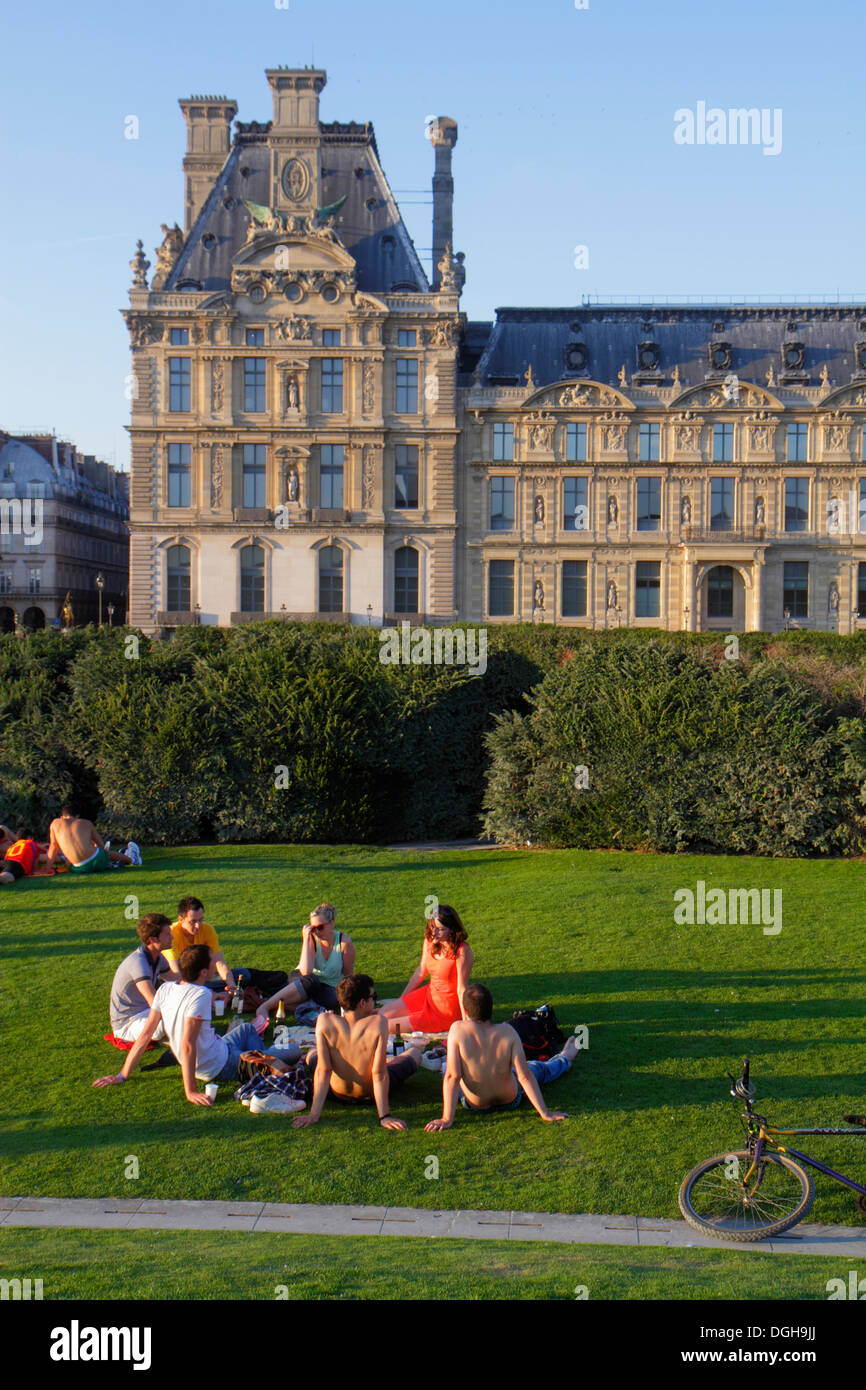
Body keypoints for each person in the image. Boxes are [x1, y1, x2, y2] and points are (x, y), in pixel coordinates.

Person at [93, 945, 302, 1105]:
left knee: (246, 1029)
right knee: (293, 1050)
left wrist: (123, 1074)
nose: (215, 964)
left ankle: (262, 1059)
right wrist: (190, 1091)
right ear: (203, 972)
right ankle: (264, 1062)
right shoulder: (200, 995)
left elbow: (146, 1034)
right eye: (212, 962)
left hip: (221, 1047)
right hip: (219, 1065)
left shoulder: (166, 989)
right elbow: (187, 1045)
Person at [424, 983, 578, 1130]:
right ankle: (564, 1058)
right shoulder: (508, 1032)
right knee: (536, 1068)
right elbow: (525, 1077)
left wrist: (446, 1119)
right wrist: (545, 1113)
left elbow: (453, 1076)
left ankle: (563, 1058)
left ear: (465, 1011)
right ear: (491, 1008)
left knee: (447, 1072)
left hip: (475, 1103)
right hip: (511, 1100)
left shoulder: (457, 1030)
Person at [292, 973, 419, 1131]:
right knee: (414, 1053)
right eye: (373, 996)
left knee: (312, 1054)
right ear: (362, 1003)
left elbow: (323, 1070)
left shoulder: (324, 1021)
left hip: (337, 1092)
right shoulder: (378, 1023)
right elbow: (379, 1074)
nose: (375, 1000)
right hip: (370, 1093)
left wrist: (314, 1115)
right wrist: (384, 1116)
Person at [378, 905, 473, 1035]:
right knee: (383, 1014)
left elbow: (461, 988)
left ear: (452, 930)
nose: (434, 933)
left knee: (386, 1027)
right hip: (428, 994)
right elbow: (420, 972)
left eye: (440, 929)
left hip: (445, 1010)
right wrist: (402, 998)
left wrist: (465, 1022)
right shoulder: (430, 941)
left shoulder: (462, 951)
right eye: (432, 927)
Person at [256, 904, 354, 1021]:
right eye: (313, 928)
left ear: (331, 924)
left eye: (320, 927)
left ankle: (283, 1003)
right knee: (311, 982)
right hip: (304, 980)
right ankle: (264, 1007)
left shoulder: (344, 942)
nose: (317, 932)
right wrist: (306, 939)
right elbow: (306, 971)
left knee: (333, 999)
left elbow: (348, 974)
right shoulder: (312, 939)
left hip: (328, 986)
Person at [108, 914, 177, 1042]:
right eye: (167, 934)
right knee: (178, 1017)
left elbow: (178, 981)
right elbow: (153, 1001)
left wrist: (207, 994)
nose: (172, 937)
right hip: (127, 1024)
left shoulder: (158, 957)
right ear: (153, 940)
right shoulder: (138, 963)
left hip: (144, 1012)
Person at [163, 896, 238, 998]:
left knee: (242, 976)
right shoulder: (171, 935)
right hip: (178, 979)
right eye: (193, 921)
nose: (198, 926)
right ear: (181, 919)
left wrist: (231, 985)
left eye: (201, 920)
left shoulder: (207, 930)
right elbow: (176, 971)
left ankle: (216, 993)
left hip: (199, 975)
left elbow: (219, 962)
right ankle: (210, 993)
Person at [44, 806, 140, 874]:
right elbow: (101, 846)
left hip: (78, 868)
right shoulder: (85, 823)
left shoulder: (55, 823)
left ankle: (113, 863)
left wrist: (47, 869)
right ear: (77, 817)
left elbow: (53, 847)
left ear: (62, 817)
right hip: (97, 861)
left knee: (67, 860)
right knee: (106, 854)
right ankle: (132, 860)